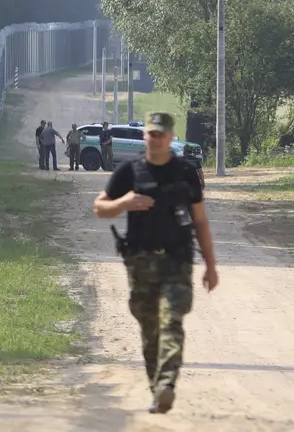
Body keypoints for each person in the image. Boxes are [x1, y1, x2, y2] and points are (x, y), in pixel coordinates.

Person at [92, 113, 219, 415]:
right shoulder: (130, 171)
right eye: (152, 133)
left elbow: (200, 221)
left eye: (162, 134)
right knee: (150, 329)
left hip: (177, 260)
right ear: (145, 136)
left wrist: (211, 265)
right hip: (140, 262)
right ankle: (157, 389)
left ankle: (167, 384)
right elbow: (100, 207)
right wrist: (123, 203)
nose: (157, 138)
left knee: (172, 320)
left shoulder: (185, 172)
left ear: (171, 136)